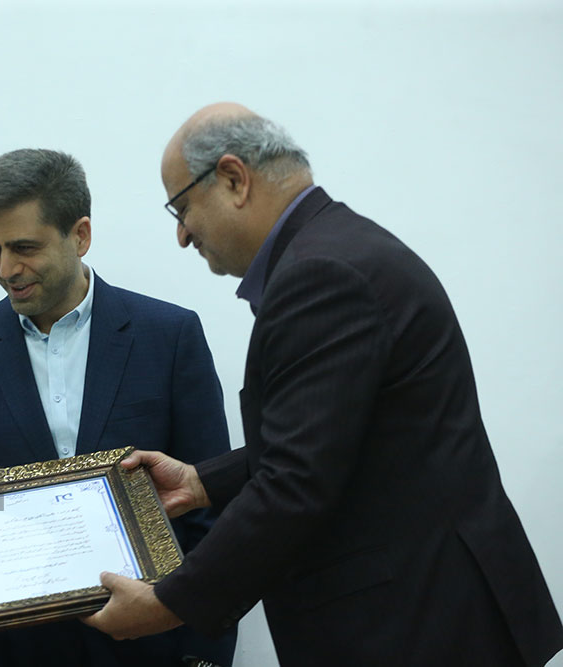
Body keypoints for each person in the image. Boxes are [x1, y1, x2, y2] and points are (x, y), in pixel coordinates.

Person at [84, 103, 563, 666]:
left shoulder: (320, 276)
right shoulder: (340, 247)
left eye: (182, 208)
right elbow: (339, 438)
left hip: (416, 623)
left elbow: (296, 481)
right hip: (433, 608)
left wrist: (169, 603)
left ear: (234, 179)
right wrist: (201, 481)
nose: (183, 235)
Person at [0, 148, 236, 666]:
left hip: (159, 651)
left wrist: (202, 657)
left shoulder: (170, 336)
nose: (6, 269)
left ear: (81, 235)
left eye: (24, 247)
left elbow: (212, 512)